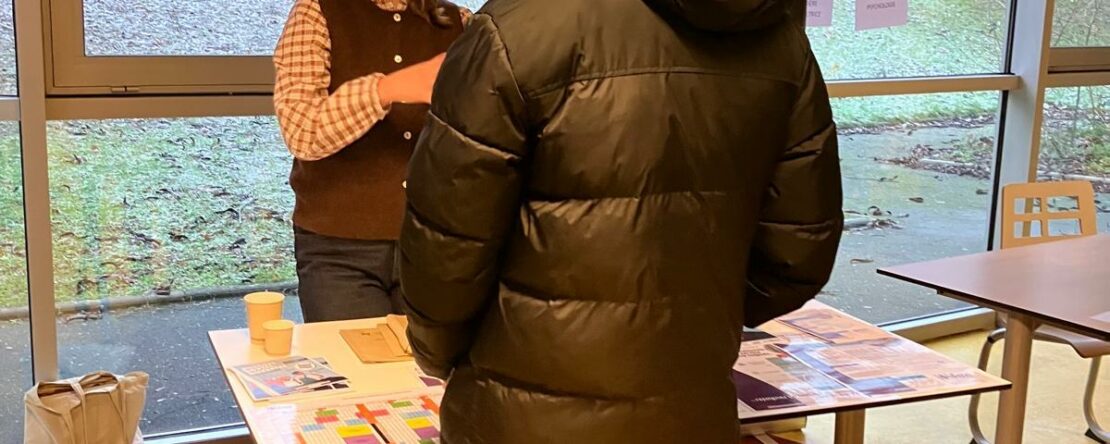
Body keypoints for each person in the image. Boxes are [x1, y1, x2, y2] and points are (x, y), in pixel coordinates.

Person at [400, 0, 843, 442]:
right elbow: (800, 251)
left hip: (517, 415)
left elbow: (445, 253)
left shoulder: (515, 28)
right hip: (691, 411)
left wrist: (440, 355)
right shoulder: (781, 39)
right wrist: (695, 317)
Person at [273, 0, 469, 322]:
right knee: (348, 356)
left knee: (429, 357)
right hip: (338, 252)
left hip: (437, 249)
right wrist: (386, 89)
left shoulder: (459, 22)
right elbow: (303, 132)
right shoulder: (316, 12)